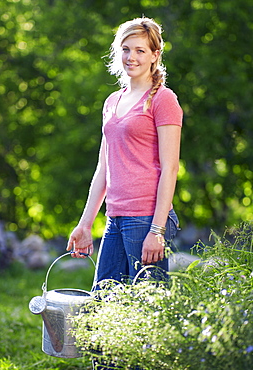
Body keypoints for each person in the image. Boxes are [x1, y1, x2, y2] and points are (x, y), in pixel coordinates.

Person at [67, 16, 182, 288]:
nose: (132, 57)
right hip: (115, 218)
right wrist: (85, 225)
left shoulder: (163, 99)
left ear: (155, 55)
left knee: (148, 304)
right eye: (126, 49)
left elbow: (171, 168)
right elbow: (103, 169)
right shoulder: (112, 101)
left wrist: (157, 229)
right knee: (104, 301)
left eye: (140, 50)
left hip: (146, 217)